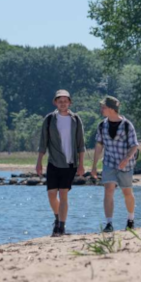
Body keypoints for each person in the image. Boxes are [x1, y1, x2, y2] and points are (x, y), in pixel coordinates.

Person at [36, 90, 85, 237]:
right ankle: (57, 218)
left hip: (70, 163)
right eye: (60, 100)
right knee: (51, 194)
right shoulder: (49, 119)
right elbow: (42, 143)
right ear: (55, 103)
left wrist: (81, 164)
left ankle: (61, 227)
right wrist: (39, 162)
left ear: (69, 102)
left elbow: (81, 144)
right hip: (53, 162)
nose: (63, 103)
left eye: (65, 100)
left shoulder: (76, 119)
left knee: (64, 194)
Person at [90, 96, 140, 232]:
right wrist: (94, 166)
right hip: (109, 163)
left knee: (127, 192)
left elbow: (134, 145)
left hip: (126, 164)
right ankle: (109, 223)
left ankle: (130, 220)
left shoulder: (127, 125)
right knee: (108, 190)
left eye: (103, 107)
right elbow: (99, 146)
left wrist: (126, 159)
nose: (101, 109)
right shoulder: (102, 125)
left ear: (112, 109)